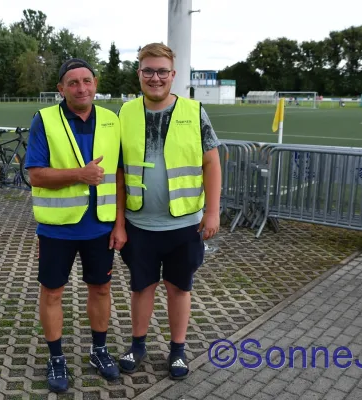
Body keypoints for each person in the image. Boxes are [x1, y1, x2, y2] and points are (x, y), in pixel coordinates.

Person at [116, 43, 222, 380]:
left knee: (179, 287)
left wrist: (213, 212)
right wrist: (119, 222)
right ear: (139, 74)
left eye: (162, 71)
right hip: (139, 223)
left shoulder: (195, 111)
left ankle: (177, 350)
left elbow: (212, 163)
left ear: (173, 75)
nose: (156, 77)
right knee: (142, 287)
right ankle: (138, 345)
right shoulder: (125, 113)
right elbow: (118, 171)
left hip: (185, 223)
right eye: (148, 70)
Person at [25, 58, 126, 393]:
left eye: (87, 81)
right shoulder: (45, 120)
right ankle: (56, 357)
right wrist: (79, 175)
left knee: (101, 289)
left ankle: (99, 351)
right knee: (52, 292)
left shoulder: (113, 120)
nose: (81, 88)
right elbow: (36, 174)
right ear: (61, 89)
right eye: (73, 82)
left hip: (101, 226)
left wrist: (119, 224)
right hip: (57, 228)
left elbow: (119, 176)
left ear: (95, 83)